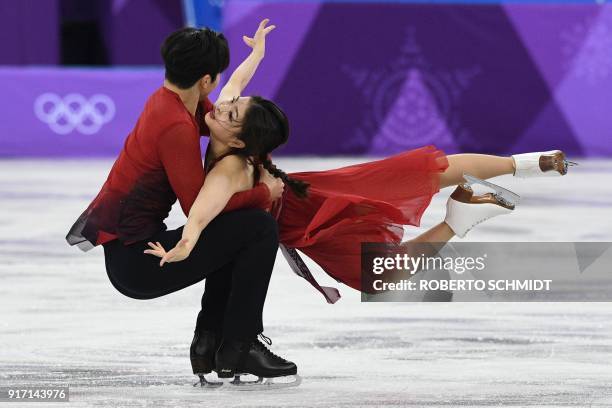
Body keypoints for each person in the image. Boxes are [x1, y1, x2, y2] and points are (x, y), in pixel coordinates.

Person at [144, 92, 575, 297]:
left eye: (229, 110)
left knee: (379, 276)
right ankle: (522, 164)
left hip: (306, 220)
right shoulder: (238, 142)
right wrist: (252, 57)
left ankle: (456, 219)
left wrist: (185, 243)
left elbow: (204, 209)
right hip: (308, 189)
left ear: (241, 138)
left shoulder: (231, 166)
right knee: (419, 172)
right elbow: (234, 90)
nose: (218, 106)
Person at [66, 21, 300, 388]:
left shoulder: (180, 103)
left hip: (138, 249)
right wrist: (262, 194)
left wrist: (256, 56)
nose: (223, 100)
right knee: (257, 227)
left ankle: (212, 344)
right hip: (141, 261)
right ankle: (238, 344)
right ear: (206, 79)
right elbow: (197, 209)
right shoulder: (176, 124)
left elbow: (234, 90)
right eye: (216, 79)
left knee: (237, 232)